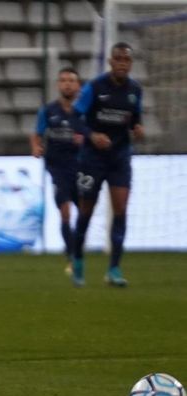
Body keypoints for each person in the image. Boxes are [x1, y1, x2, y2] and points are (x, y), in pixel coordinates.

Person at [71, 42, 144, 287]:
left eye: (127, 60)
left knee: (121, 209)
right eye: (119, 59)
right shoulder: (95, 87)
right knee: (86, 211)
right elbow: (75, 117)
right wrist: (92, 136)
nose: (123, 63)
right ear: (111, 62)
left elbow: (135, 119)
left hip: (120, 157)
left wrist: (138, 128)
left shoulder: (135, 90)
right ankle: (78, 257)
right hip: (92, 158)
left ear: (130, 64)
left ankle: (114, 269)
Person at [30, 67, 85, 272]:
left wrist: (86, 139)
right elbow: (37, 134)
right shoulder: (49, 110)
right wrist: (36, 146)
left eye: (71, 80)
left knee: (83, 215)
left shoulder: (85, 112)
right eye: (63, 80)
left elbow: (94, 134)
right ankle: (72, 257)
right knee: (65, 213)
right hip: (58, 168)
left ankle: (76, 250)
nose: (67, 84)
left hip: (82, 167)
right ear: (58, 85)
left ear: (78, 85)